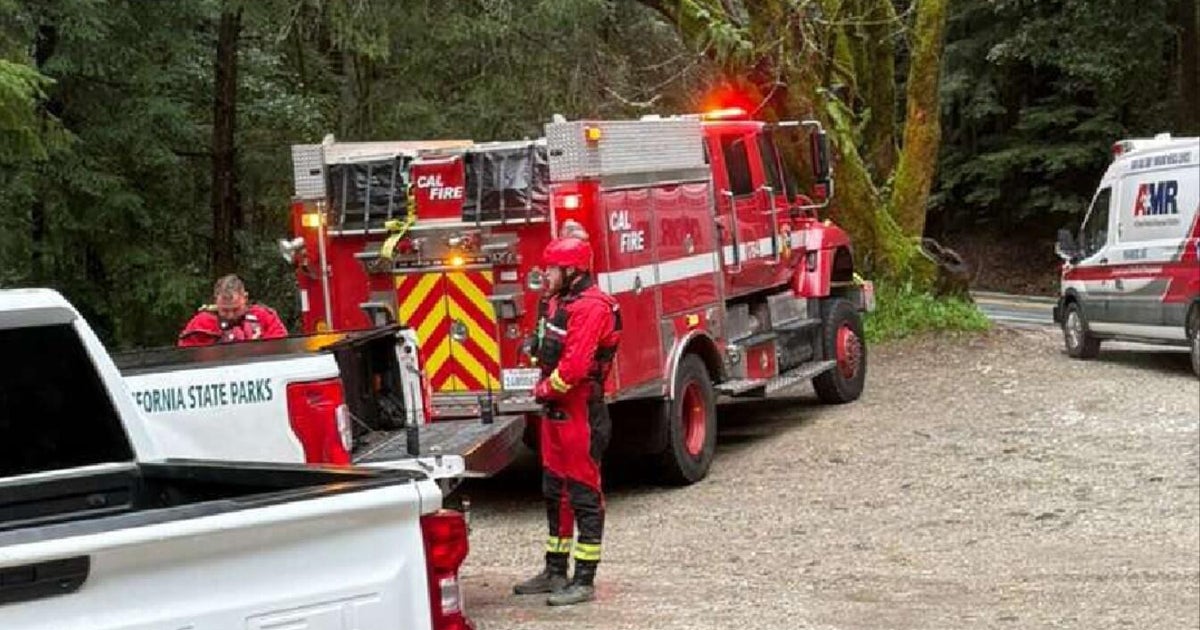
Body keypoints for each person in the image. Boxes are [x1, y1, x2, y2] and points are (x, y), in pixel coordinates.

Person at [514, 235, 621, 606]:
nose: (546, 275)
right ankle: (555, 570)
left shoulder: (592, 307)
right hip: (557, 416)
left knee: (584, 496)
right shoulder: (557, 301)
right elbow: (545, 344)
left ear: (572, 271)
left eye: (552, 269)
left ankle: (584, 579)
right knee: (554, 492)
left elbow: (574, 369)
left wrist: (543, 390)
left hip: (581, 414)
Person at [178, 274, 288, 347]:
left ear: (245, 298)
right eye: (225, 310)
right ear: (216, 300)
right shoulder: (201, 324)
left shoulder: (265, 317)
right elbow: (186, 357)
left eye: (236, 309)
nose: (230, 316)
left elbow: (281, 346)